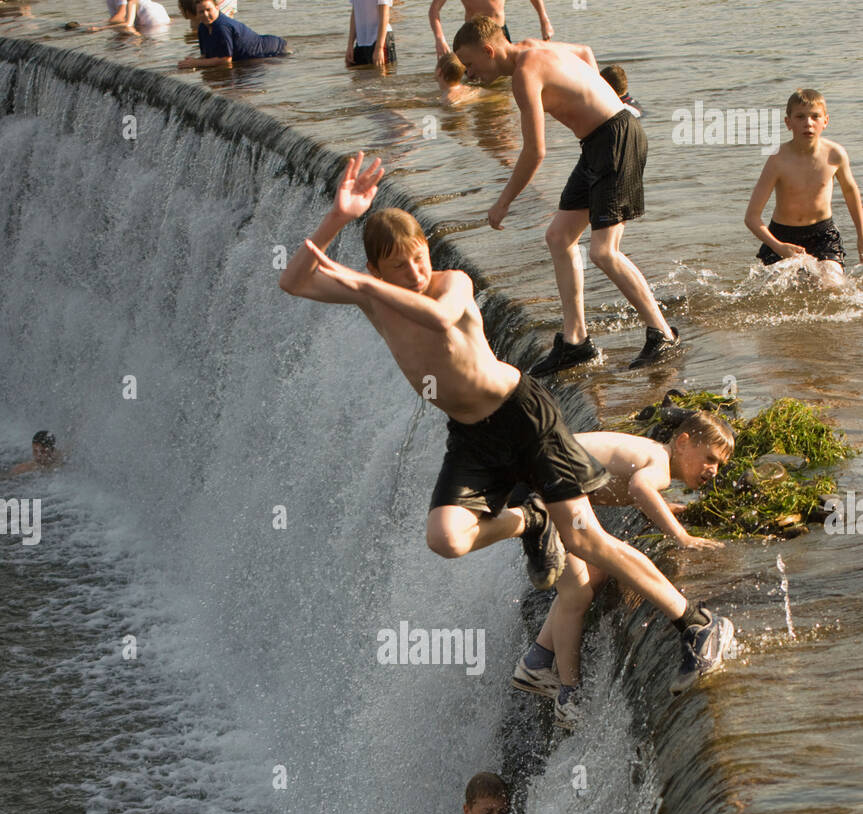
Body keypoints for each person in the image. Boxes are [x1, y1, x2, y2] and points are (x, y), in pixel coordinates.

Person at [278, 152, 734, 694]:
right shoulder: (373, 297)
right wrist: (337, 218)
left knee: (586, 540)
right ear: (377, 268)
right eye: (399, 266)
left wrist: (367, 287)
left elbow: (440, 318)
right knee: (446, 538)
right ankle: (529, 522)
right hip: (473, 436)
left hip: (524, 416)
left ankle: (698, 626)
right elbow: (293, 281)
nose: (415, 273)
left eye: (420, 258)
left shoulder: (451, 283)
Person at [452, 19, 679, 372]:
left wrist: (503, 202)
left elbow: (534, 152)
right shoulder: (531, 46)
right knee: (559, 237)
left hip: (616, 140)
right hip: (597, 142)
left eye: (470, 65)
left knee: (604, 251)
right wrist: (596, 96)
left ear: (489, 50)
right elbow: (585, 52)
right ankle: (576, 342)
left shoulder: (524, 76)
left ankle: (662, 333)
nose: (470, 74)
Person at [512, 411, 735, 724]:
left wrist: (663, 507)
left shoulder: (650, 454)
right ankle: (570, 691)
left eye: (720, 466)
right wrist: (681, 536)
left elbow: (619, 483)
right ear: (683, 442)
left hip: (533, 484)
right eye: (709, 458)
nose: (712, 470)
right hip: (545, 485)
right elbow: (639, 487)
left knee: (587, 582)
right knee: (591, 573)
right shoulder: (659, 460)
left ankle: (539, 662)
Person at [745, 88, 863, 286]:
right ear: (788, 122)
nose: (808, 123)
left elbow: (851, 193)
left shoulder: (835, 155)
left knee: (833, 286)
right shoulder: (777, 159)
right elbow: (751, 217)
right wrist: (778, 246)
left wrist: (861, 235)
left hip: (823, 234)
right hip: (782, 236)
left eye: (815, 116)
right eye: (800, 117)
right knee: (777, 294)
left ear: (825, 121)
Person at [177, 0, 289, 68]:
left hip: (276, 50)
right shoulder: (203, 27)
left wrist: (196, 63)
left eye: (208, 10)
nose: (206, 14)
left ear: (217, 8)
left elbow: (225, 60)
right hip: (261, 52)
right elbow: (207, 56)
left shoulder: (221, 27)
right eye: (201, 12)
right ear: (196, 14)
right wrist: (193, 61)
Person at [429, 0, 553, 60]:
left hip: (500, 34)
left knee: (505, 76)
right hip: (474, 36)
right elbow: (434, 9)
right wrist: (440, 39)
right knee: (474, 80)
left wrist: (544, 20)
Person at [345, 0, 395, 69]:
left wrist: (379, 48)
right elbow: (355, 12)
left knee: (382, 77)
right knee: (359, 77)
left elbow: (385, 15)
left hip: (380, 39)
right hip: (361, 41)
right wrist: (350, 45)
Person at [105, 0, 171, 30]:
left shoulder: (131, 2)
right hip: (161, 12)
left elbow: (127, 23)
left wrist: (101, 27)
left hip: (151, 19)